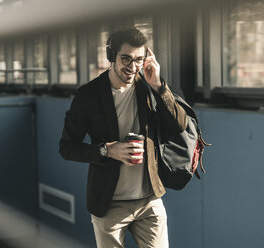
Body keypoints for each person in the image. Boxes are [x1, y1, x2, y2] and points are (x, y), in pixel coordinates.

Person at [59, 27, 187, 248]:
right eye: (126, 58)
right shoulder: (88, 96)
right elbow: (67, 147)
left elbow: (179, 124)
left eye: (139, 59)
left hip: (149, 200)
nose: (132, 66)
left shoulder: (149, 88)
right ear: (111, 56)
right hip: (109, 204)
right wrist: (106, 150)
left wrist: (158, 85)